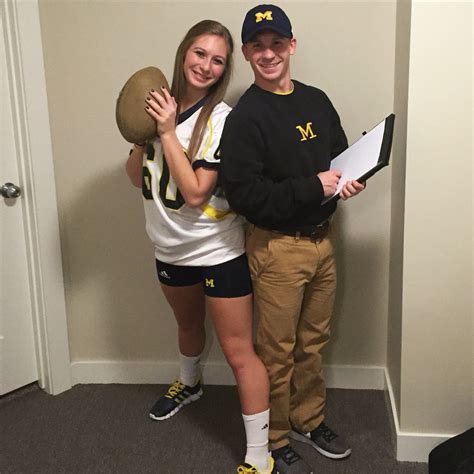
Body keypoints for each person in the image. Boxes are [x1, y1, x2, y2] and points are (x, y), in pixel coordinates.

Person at [220, 5, 365, 473]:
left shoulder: (316, 100)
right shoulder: (246, 117)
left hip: (324, 240)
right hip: (278, 248)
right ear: (246, 53)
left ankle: (309, 418)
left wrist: (350, 179)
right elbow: (244, 195)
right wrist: (313, 187)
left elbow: (338, 155)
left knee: (314, 341)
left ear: (292, 46)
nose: (268, 54)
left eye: (276, 44)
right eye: (258, 46)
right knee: (277, 351)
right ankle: (276, 437)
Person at [125, 20, 273, 473]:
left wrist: (168, 133)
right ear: (183, 52)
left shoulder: (223, 119)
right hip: (168, 248)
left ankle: (258, 458)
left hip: (216, 251)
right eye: (199, 53)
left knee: (238, 352)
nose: (205, 66)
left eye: (217, 60)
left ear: (225, 69)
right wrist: (143, 135)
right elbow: (138, 179)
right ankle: (189, 385)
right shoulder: (159, 108)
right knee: (188, 328)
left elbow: (195, 193)